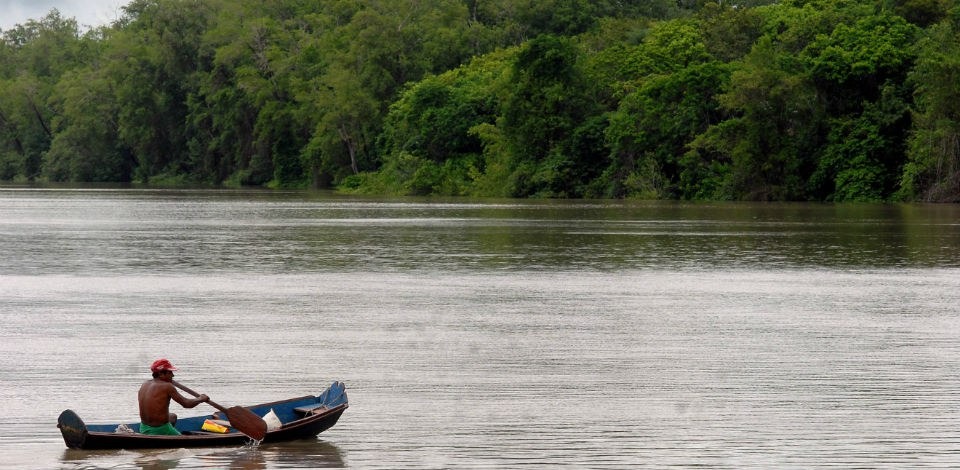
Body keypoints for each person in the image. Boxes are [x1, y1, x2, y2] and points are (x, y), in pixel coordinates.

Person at [138, 358, 208, 435]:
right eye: (170, 372)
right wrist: (201, 399)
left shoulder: (145, 384)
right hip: (159, 429)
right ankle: (167, 433)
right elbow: (186, 404)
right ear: (161, 374)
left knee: (173, 416)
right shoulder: (167, 386)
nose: (173, 375)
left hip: (143, 427)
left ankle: (168, 433)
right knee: (184, 438)